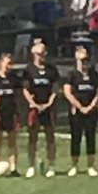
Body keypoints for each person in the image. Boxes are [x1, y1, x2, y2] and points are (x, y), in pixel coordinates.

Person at [22, 37, 60, 178]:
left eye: (44, 53)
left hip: (48, 108)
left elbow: (55, 88)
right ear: (33, 54)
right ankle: (31, 166)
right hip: (34, 107)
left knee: (50, 136)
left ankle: (51, 165)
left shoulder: (52, 70)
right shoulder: (28, 70)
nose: (42, 56)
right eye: (39, 53)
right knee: (33, 137)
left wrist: (49, 103)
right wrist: (33, 103)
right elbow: (25, 89)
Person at [63, 44, 98, 177]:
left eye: (86, 59)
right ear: (76, 60)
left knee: (91, 137)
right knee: (76, 138)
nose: (84, 62)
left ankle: (91, 166)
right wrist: (80, 107)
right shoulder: (72, 75)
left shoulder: (94, 74)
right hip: (76, 112)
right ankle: (74, 165)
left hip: (91, 111)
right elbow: (68, 93)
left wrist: (91, 106)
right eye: (81, 60)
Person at [0, 53, 21, 176]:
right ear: (1, 63)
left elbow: (19, 93)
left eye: (11, 64)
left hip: (11, 112)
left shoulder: (14, 79)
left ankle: (13, 167)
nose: (9, 66)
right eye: (7, 63)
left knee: (12, 140)